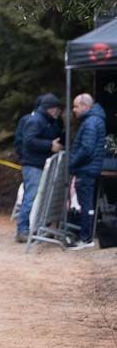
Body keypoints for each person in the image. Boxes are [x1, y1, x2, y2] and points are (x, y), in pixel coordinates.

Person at [14, 94, 64, 242]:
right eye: (56, 109)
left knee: (42, 197)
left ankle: (38, 227)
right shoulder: (35, 120)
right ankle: (22, 230)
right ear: (51, 109)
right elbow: (29, 141)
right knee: (31, 196)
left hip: (42, 163)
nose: (58, 112)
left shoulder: (50, 121)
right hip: (33, 164)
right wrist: (50, 145)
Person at [68, 93, 107, 249]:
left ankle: (85, 238)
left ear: (85, 106)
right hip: (90, 168)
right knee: (87, 204)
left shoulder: (90, 123)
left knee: (85, 205)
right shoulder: (95, 120)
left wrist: (72, 163)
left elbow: (86, 149)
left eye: (76, 106)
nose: (74, 110)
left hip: (85, 169)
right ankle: (87, 236)